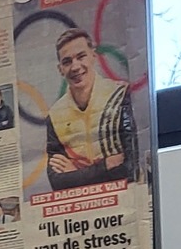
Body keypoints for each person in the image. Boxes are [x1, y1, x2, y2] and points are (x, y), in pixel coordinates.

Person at [45, 28, 140, 192]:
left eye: (81, 56)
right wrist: (106, 165)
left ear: (93, 56)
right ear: (60, 69)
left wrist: (76, 174)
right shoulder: (54, 115)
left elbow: (129, 168)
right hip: (82, 206)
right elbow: (57, 182)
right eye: (67, 62)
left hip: (123, 198)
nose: (75, 67)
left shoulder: (120, 96)